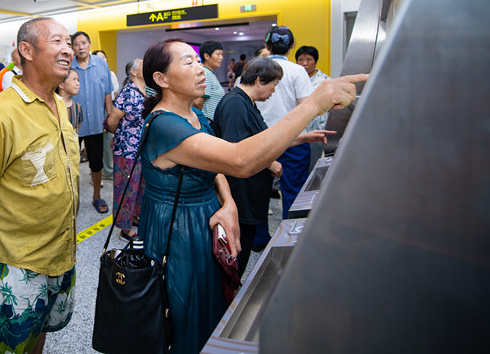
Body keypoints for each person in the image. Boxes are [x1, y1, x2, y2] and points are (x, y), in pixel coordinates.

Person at [137, 38, 364, 354]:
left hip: (207, 217)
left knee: (210, 305)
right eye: (187, 62)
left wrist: (228, 204)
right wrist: (313, 104)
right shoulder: (164, 125)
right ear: (161, 79)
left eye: (197, 59)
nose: (200, 67)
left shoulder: (195, 116)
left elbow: (214, 165)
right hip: (178, 229)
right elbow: (238, 160)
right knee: (183, 311)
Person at [0, 17, 80, 354]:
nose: (68, 49)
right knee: (9, 345)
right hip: (18, 260)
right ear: (26, 50)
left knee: (38, 335)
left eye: (69, 42)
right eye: (57, 41)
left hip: (61, 250)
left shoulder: (59, 107)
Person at [212, 57, 333, 276]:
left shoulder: (247, 103)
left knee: (244, 252)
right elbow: (237, 149)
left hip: (251, 193)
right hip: (241, 194)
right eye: (273, 85)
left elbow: (265, 140)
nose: (274, 91)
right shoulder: (234, 104)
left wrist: (303, 138)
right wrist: (270, 163)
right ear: (259, 80)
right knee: (237, 257)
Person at [256, 27, 315, 219]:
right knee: (294, 191)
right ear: (291, 47)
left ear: (267, 45)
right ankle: (291, 237)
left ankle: (259, 240)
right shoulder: (298, 71)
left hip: (260, 140)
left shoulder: (253, 69)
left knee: (258, 191)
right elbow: (306, 108)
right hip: (294, 139)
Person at [70, 31, 115, 214]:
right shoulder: (68, 66)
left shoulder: (101, 64)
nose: (80, 47)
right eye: (76, 44)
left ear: (89, 44)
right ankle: (71, 200)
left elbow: (107, 92)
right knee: (70, 164)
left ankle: (97, 196)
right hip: (72, 125)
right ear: (72, 47)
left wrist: (110, 118)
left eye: (84, 43)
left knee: (96, 163)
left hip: (96, 122)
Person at [106, 58, 146, 241]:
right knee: (126, 188)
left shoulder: (145, 90)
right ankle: (124, 228)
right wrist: (122, 137)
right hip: (127, 151)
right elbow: (112, 121)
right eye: (143, 64)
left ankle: (134, 216)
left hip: (141, 149)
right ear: (134, 72)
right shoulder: (128, 93)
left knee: (139, 187)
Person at [296, 45, 331, 172]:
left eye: (309, 60)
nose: (304, 64)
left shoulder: (325, 81)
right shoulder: (295, 79)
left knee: (313, 166)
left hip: (317, 130)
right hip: (298, 131)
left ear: (315, 61)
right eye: (300, 60)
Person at [92, 50, 118, 179]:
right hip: (95, 108)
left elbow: (114, 91)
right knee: (96, 142)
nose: (102, 60)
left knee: (109, 140)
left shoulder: (111, 74)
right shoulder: (92, 74)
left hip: (109, 108)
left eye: (104, 57)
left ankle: (108, 171)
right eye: (99, 58)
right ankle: (97, 173)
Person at [199, 40, 227, 122]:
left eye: (222, 54)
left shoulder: (210, 73)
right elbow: (198, 102)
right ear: (207, 56)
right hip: (208, 122)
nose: (221, 58)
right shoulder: (205, 74)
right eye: (218, 54)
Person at [57, 68, 83, 135]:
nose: (78, 84)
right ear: (61, 84)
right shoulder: (53, 106)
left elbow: (76, 131)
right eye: (74, 80)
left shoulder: (78, 108)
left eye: (78, 80)